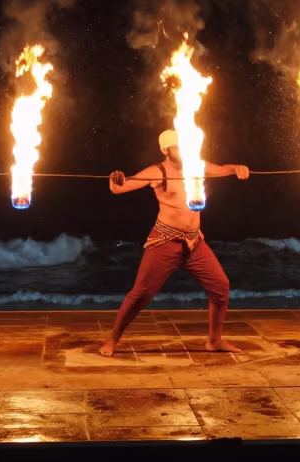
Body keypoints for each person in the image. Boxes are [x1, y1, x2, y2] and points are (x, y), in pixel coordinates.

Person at [100, 129, 249, 356]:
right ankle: (112, 341)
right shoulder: (157, 171)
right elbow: (120, 187)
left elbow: (221, 170)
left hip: (193, 241)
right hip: (165, 240)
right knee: (141, 294)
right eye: (177, 147)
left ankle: (214, 341)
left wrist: (236, 168)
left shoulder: (195, 165)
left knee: (221, 287)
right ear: (165, 150)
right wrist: (115, 180)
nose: (182, 151)